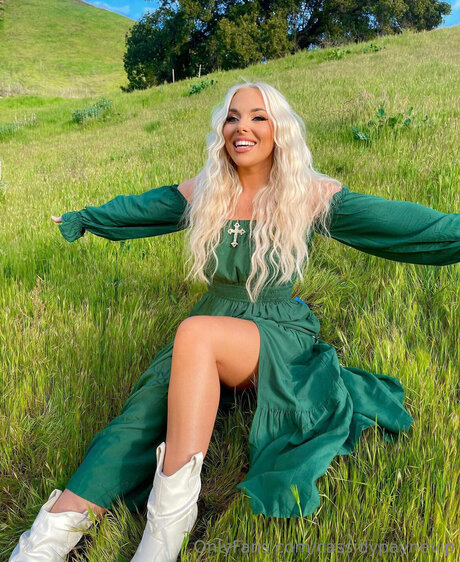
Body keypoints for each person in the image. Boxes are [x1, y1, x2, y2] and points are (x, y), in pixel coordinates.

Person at [9, 81, 459, 561]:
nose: (243, 127)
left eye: (258, 117)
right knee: (140, 415)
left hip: (276, 332)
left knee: (194, 333)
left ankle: (166, 530)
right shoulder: (206, 191)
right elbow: (142, 210)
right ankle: (47, 537)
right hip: (212, 322)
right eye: (232, 117)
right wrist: (86, 218)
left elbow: (402, 225)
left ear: (280, 129)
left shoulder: (309, 193)